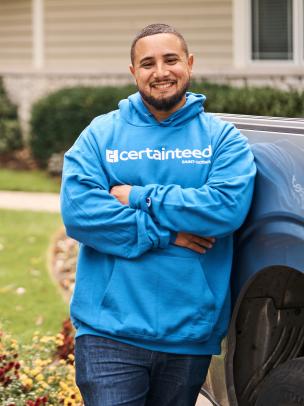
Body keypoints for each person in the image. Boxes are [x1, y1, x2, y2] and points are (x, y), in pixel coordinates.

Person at [60, 23, 256, 406]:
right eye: (147, 63)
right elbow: (80, 212)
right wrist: (168, 234)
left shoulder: (222, 139)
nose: (161, 72)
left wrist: (138, 195)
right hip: (108, 332)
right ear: (133, 72)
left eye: (171, 59)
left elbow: (224, 208)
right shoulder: (101, 134)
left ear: (190, 63)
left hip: (188, 332)